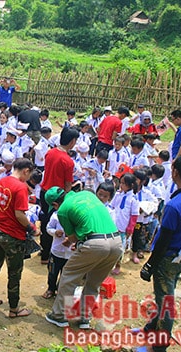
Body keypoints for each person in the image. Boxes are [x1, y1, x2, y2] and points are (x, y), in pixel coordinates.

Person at [140, 154, 181, 352]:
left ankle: (161, 343)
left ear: (175, 171)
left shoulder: (174, 206)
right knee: (166, 291)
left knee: (165, 299)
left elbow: (163, 240)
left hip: (168, 256)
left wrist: (150, 264)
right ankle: (154, 324)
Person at [44, 186, 122, 329]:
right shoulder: (87, 194)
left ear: (55, 204)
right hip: (116, 243)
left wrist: (73, 241)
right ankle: (84, 318)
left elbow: (72, 237)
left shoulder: (62, 210)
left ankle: (60, 315)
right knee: (93, 282)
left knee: (69, 277)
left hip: (95, 243)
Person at [0, 158, 39, 318]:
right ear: (26, 170)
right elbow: (19, 214)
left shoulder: (1, 181)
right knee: (14, 274)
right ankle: (14, 309)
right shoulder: (20, 187)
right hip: (13, 236)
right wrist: (32, 228)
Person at [39, 127, 79, 264]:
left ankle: (43, 252)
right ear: (72, 141)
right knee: (57, 224)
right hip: (57, 196)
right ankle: (51, 253)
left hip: (44, 191)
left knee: (45, 222)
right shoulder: (68, 161)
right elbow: (68, 184)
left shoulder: (50, 153)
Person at [109, 173, 139, 275]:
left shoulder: (133, 199)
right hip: (113, 224)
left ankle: (118, 265)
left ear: (131, 185)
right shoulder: (118, 195)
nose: (121, 185)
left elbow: (134, 216)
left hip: (123, 227)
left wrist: (130, 228)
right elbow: (111, 206)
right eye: (120, 183)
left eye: (124, 184)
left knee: (120, 248)